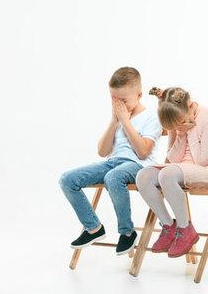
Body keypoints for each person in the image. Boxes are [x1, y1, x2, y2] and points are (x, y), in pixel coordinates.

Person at [59, 67, 163, 255]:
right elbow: (102, 151)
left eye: (123, 101)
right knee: (67, 179)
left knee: (113, 177)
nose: (118, 105)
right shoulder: (118, 118)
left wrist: (125, 121)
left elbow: (142, 152)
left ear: (139, 95)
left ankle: (127, 232)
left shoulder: (151, 116)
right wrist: (115, 121)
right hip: (112, 162)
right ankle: (93, 228)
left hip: (139, 166)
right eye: (114, 100)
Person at [136, 87, 208, 258]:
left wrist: (188, 130)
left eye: (180, 123)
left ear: (190, 106)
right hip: (179, 168)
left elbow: (201, 161)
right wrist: (180, 132)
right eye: (175, 126)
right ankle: (169, 226)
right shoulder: (178, 119)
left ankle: (185, 229)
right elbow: (172, 159)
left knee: (166, 174)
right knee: (143, 176)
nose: (178, 127)